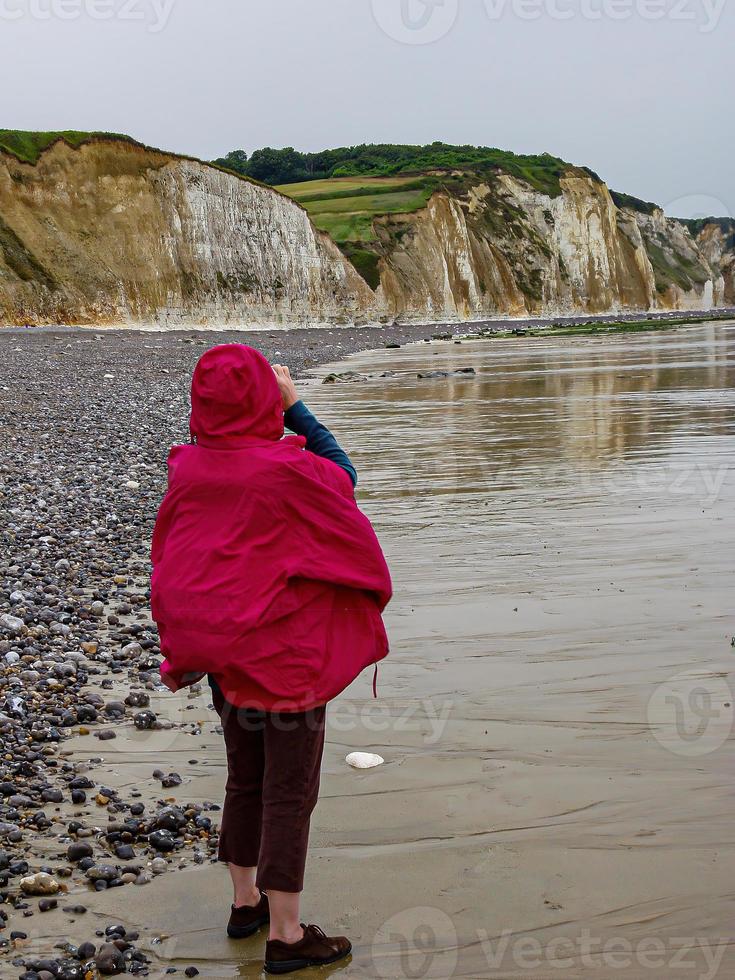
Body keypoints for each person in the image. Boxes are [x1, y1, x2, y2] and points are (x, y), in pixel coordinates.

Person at [150, 344, 392, 974]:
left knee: (245, 780)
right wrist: (295, 408)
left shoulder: (189, 468)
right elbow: (344, 475)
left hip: (224, 656)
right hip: (285, 661)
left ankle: (244, 905)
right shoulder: (288, 470)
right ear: (264, 398)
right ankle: (286, 935)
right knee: (290, 793)